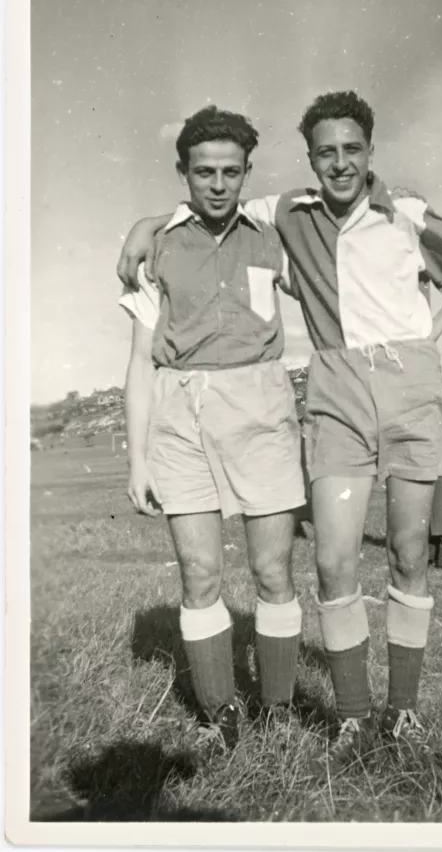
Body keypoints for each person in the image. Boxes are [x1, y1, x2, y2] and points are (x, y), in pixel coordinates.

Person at [117, 90, 442, 774]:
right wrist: (145, 223)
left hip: (390, 394)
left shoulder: (391, 214)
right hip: (317, 396)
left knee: (406, 553)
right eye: (326, 152)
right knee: (327, 562)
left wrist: (423, 338)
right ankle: (340, 717)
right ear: (310, 159)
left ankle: (397, 709)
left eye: (352, 149)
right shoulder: (284, 213)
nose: (340, 162)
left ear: (370, 152)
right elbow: (197, 215)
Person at [120, 106, 306, 753]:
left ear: (248, 172)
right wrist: (138, 460)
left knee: (273, 570)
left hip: (263, 410)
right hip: (180, 413)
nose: (219, 184)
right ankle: (219, 713)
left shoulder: (275, 234)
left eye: (231, 171)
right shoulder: (160, 246)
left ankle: (278, 708)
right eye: (205, 172)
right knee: (199, 573)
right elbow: (141, 365)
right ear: (184, 174)